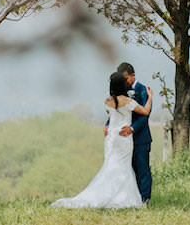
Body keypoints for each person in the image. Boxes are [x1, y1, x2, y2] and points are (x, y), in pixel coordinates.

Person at [51, 71, 152, 209]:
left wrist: (107, 125)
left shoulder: (107, 102)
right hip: (123, 137)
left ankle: (109, 194)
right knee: (123, 166)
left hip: (111, 137)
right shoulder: (128, 101)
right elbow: (145, 111)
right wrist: (150, 97)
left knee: (111, 165)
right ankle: (123, 197)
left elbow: (112, 116)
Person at [115, 61, 152, 204]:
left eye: (126, 78)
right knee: (129, 171)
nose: (124, 82)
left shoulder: (143, 90)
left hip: (141, 138)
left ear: (133, 75)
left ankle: (145, 200)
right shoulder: (122, 92)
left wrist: (132, 128)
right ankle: (132, 199)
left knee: (142, 170)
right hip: (125, 140)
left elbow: (145, 115)